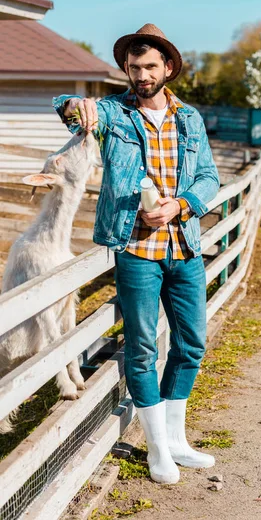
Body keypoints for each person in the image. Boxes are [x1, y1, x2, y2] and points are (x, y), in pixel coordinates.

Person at [53, 24, 220, 484]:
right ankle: (157, 451)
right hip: (135, 249)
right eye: (134, 67)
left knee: (191, 345)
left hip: (184, 247)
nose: (141, 74)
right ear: (125, 69)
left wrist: (181, 205)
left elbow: (208, 177)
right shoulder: (112, 113)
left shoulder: (190, 119)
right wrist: (74, 105)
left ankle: (177, 439)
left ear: (167, 68)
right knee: (143, 348)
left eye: (150, 67)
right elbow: (66, 111)